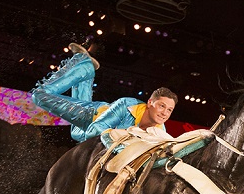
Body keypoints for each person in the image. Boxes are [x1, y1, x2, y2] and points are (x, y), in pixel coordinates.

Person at [31, 43, 177, 146]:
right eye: (162, 106)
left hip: (88, 136)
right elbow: (94, 130)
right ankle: (81, 63)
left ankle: (87, 71)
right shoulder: (128, 105)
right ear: (150, 103)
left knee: (76, 134)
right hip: (90, 115)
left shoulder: (160, 132)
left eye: (169, 110)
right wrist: (118, 147)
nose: (164, 113)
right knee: (38, 95)